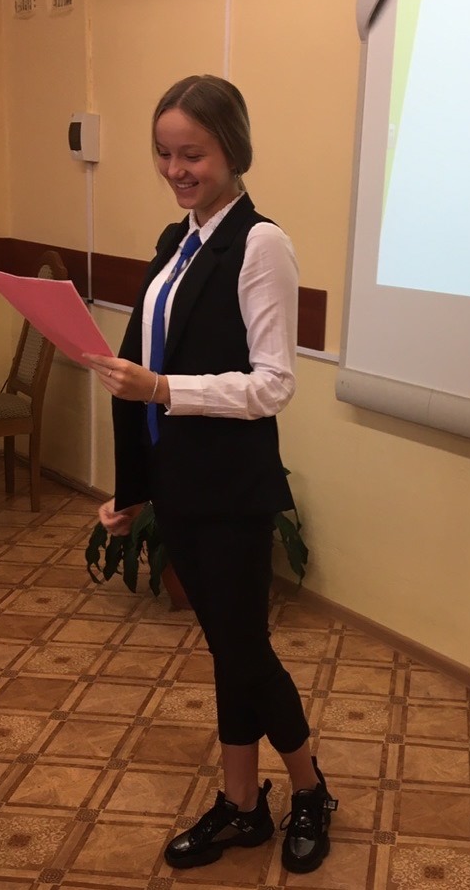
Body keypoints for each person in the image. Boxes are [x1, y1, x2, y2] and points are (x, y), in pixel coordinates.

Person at [84, 74, 336, 875]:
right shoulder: (175, 242)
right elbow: (145, 361)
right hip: (180, 485)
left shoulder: (260, 244)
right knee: (228, 649)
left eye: (191, 154)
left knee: (243, 650)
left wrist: (164, 389)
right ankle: (241, 804)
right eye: (163, 154)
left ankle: (309, 791)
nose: (175, 170)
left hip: (231, 489)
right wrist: (134, 491)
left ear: (232, 148)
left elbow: (272, 385)